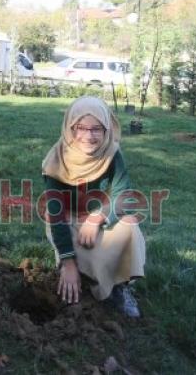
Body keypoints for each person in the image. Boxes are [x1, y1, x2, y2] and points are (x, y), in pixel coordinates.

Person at [42, 96, 146, 317]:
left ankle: (119, 286)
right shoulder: (56, 161)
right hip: (66, 221)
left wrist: (98, 217)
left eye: (96, 129)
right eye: (81, 128)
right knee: (72, 253)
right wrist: (68, 262)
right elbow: (56, 213)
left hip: (96, 219)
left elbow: (123, 195)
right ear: (70, 127)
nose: (88, 136)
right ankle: (72, 266)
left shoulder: (112, 153)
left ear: (107, 129)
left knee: (130, 228)